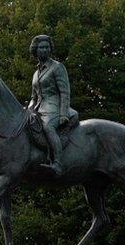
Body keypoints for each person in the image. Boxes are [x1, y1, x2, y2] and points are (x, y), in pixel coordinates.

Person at [27, 34, 77, 176]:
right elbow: (33, 97)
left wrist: (63, 113)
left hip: (55, 107)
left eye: (47, 47)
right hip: (39, 109)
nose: (45, 50)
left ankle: (57, 164)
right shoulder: (36, 73)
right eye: (41, 48)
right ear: (35, 50)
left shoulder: (57, 67)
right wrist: (28, 109)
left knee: (48, 128)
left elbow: (65, 92)